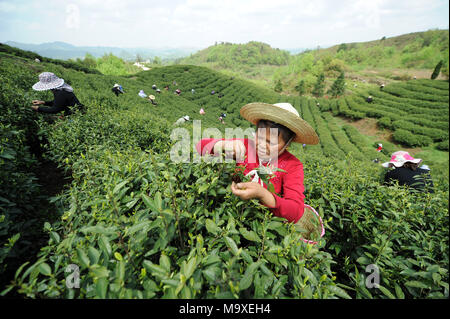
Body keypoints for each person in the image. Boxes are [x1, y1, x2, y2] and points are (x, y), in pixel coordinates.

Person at [195, 102, 320, 224]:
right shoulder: (246, 146)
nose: (261, 145)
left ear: (287, 144)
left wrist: (263, 195)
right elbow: (200, 146)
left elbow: (296, 212)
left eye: (270, 142)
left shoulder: (292, 165)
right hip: (232, 214)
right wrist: (222, 145)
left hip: (265, 226)